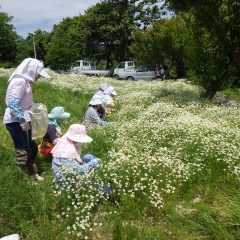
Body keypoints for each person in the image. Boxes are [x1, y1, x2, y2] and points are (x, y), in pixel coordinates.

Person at [3, 58, 50, 181]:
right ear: (31, 71)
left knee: (31, 146)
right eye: (38, 74)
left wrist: (33, 109)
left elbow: (24, 101)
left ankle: (31, 173)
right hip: (15, 121)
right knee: (22, 149)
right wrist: (22, 120)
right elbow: (13, 103)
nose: (39, 77)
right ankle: (23, 177)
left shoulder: (25, 82)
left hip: (23, 119)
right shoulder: (19, 81)